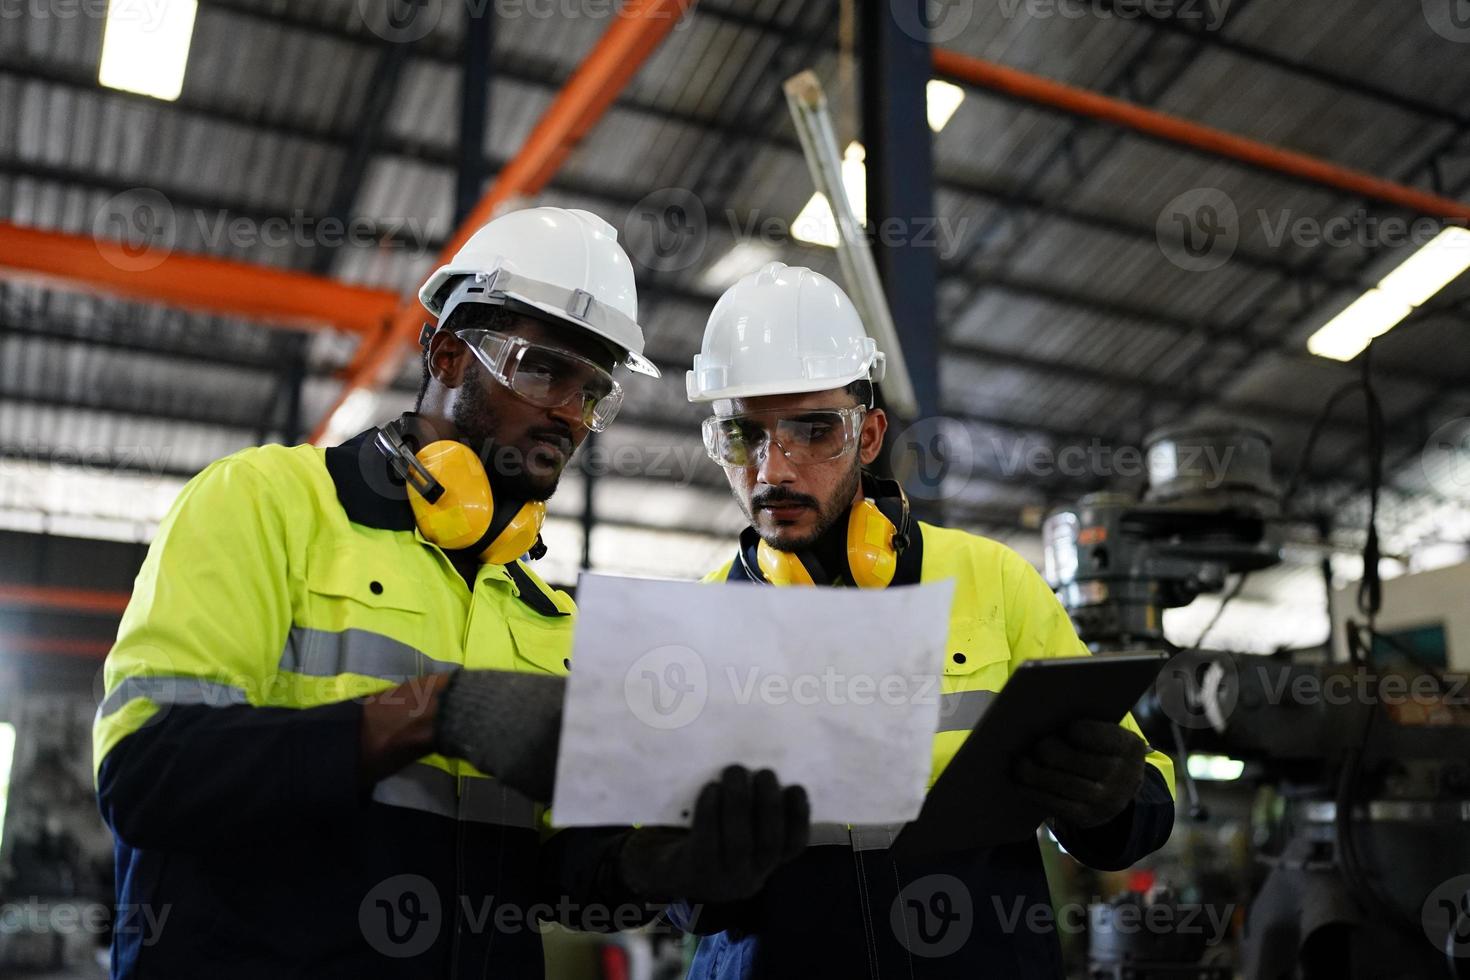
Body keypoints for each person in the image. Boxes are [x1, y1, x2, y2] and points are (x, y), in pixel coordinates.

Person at [92, 208, 807, 979]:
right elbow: (149, 772)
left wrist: (658, 867)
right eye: (542, 368)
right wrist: (428, 715)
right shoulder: (269, 505)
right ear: (446, 353)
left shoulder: (547, 617)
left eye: (593, 391)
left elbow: (549, 878)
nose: (569, 412)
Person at [675, 262, 1176, 978]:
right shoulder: (690, 625)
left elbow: (1143, 791)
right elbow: (641, 871)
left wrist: (1113, 802)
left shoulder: (993, 580)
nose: (774, 469)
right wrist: (680, 874)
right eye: (742, 436)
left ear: (870, 434)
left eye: (814, 431)